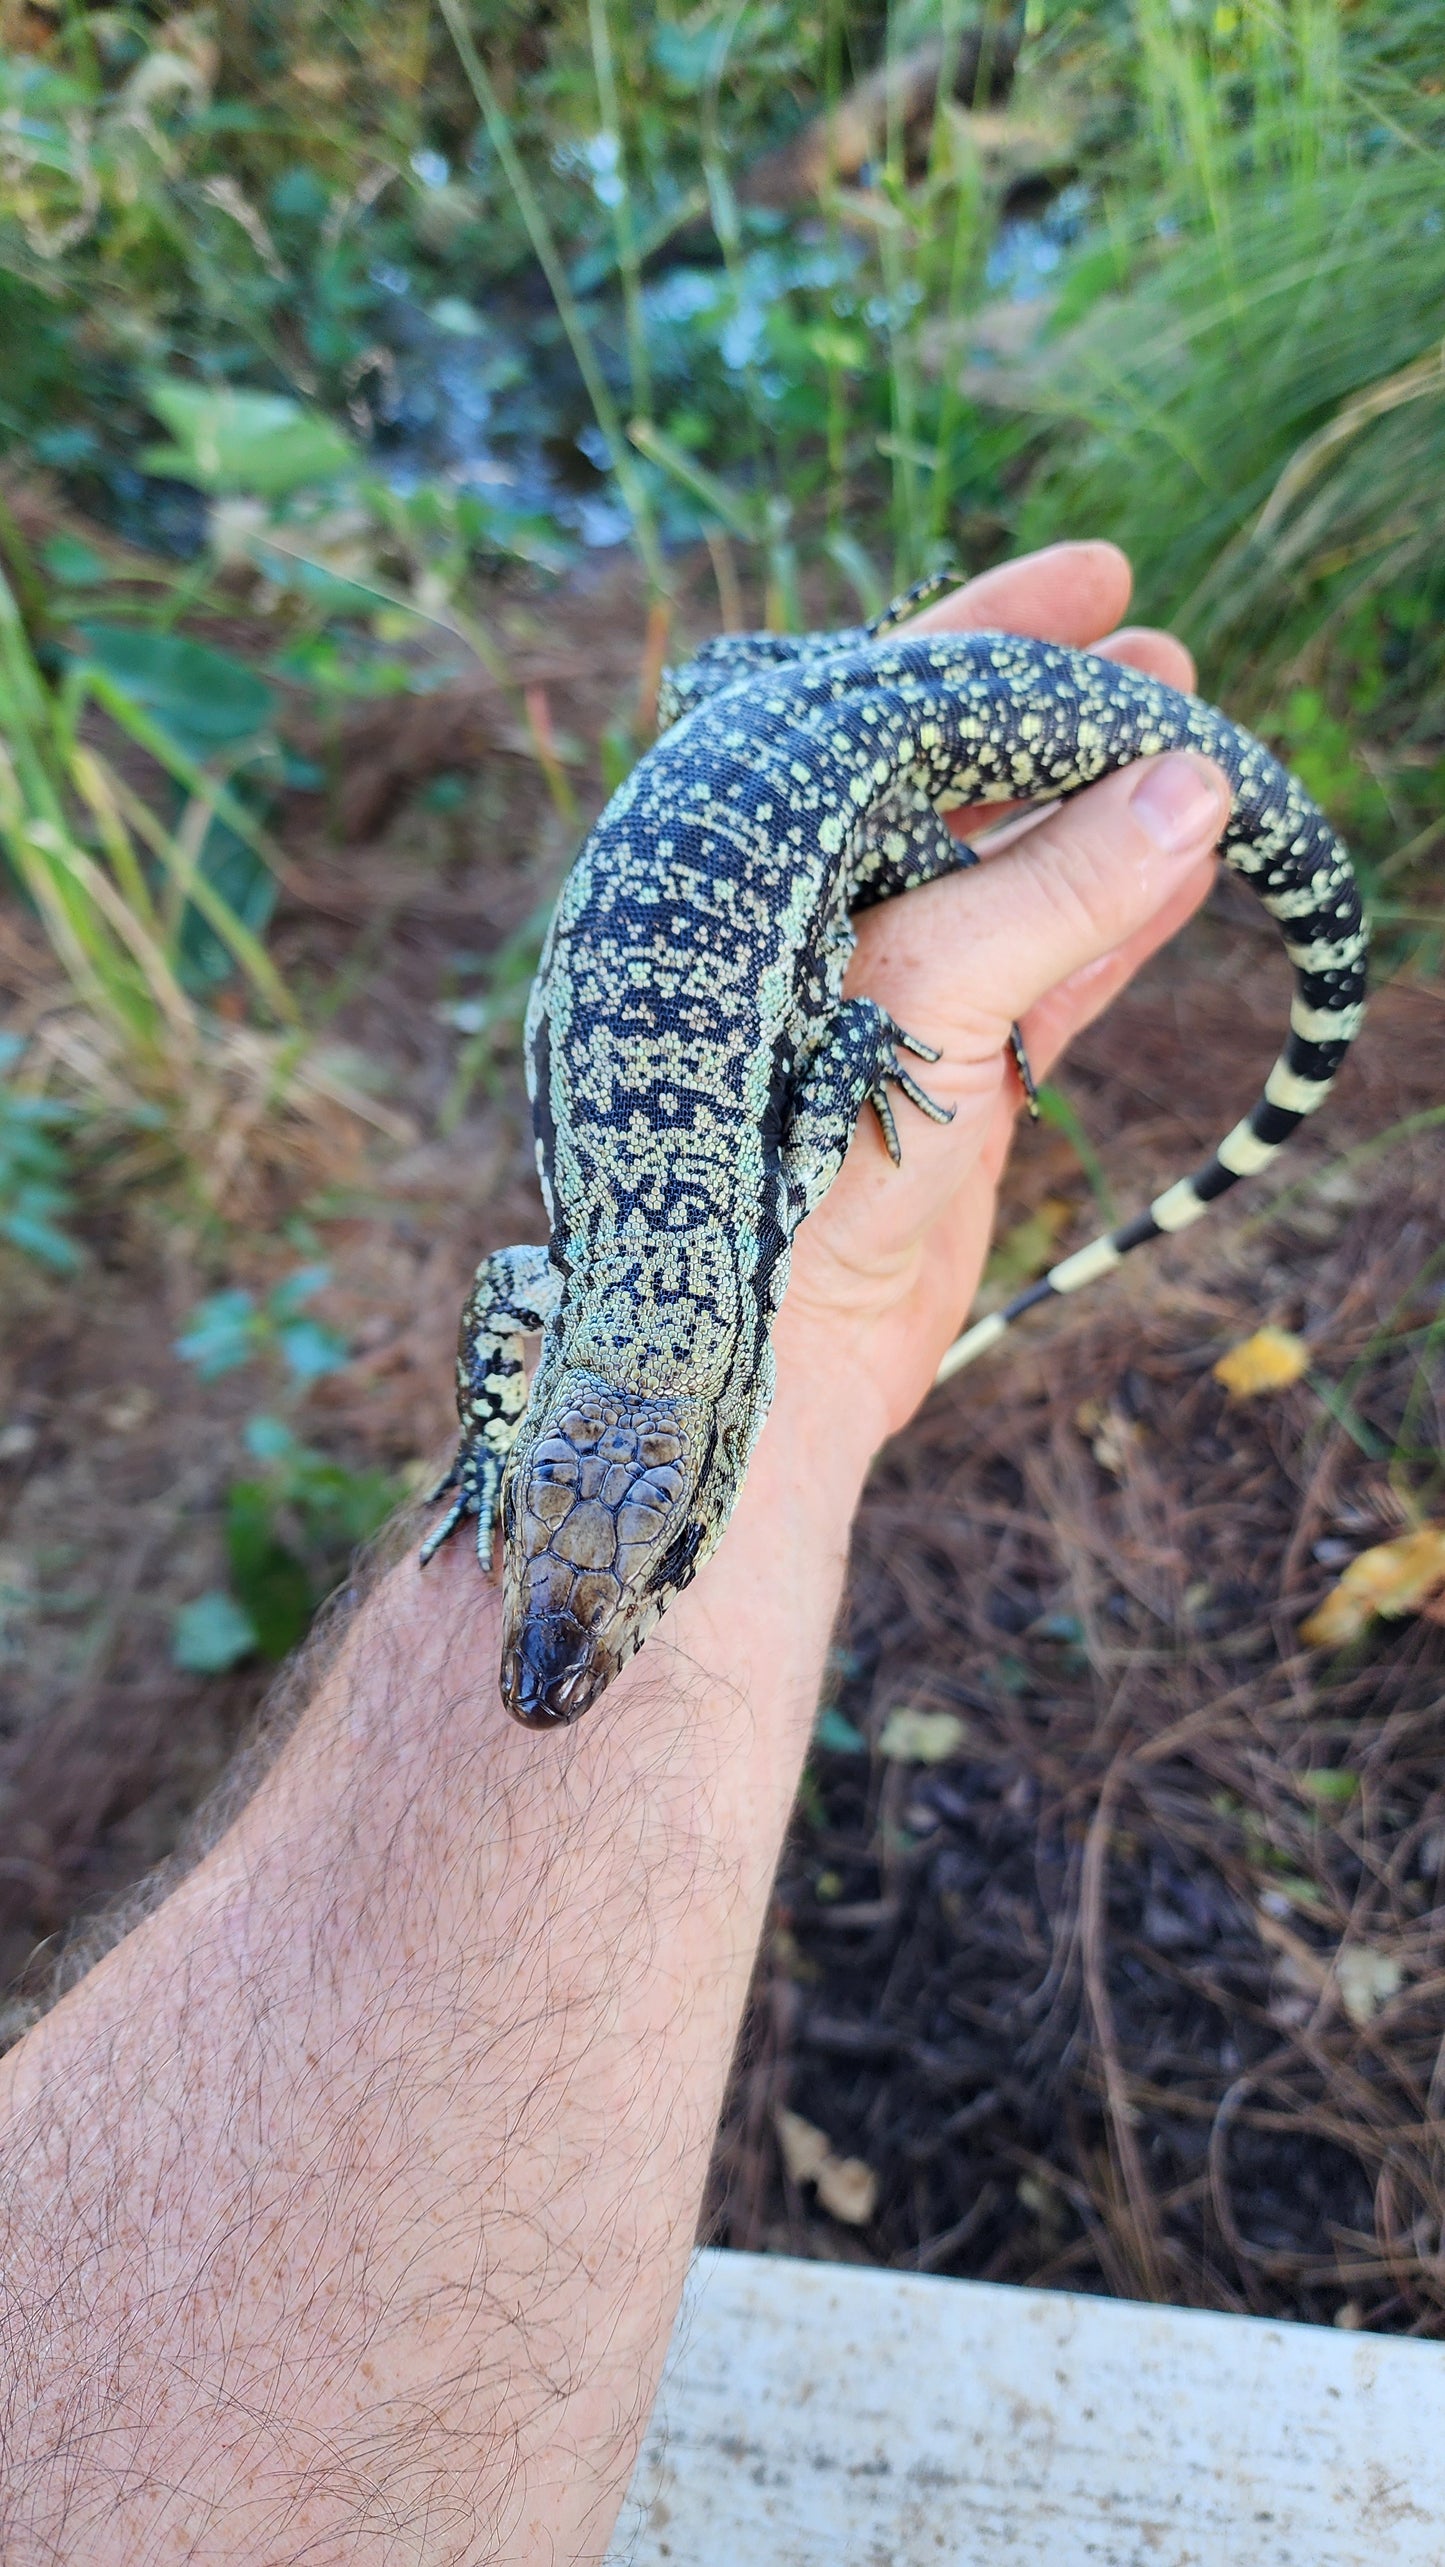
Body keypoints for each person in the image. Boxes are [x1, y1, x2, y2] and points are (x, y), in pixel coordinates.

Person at [0, 542, 1229, 2563]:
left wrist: (861, 1029)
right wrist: (514, 1466)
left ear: (710, 1463)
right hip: (773, 740)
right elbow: (533, 1277)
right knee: (832, 752)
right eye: (625, 1574)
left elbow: (752, 1119)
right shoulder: (618, 1311)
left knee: (924, 807)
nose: (569, 1647)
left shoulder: (683, 1277)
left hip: (802, 771)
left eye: (635, 1579)